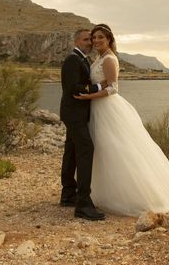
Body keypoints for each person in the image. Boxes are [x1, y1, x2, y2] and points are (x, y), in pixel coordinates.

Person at [75, 24, 169, 217]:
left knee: (117, 149)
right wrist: (92, 90)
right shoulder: (99, 58)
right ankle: (101, 191)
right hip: (97, 109)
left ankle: (133, 195)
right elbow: (100, 83)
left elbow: (113, 89)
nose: (96, 41)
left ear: (109, 39)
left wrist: (88, 97)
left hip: (107, 108)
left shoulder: (110, 59)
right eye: (94, 38)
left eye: (100, 37)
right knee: (102, 150)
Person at [59, 29, 106, 221]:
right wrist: (101, 86)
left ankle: (68, 194)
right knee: (86, 149)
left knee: (71, 151)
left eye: (91, 39)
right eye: (87, 39)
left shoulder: (82, 59)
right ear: (76, 41)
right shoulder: (72, 59)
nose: (91, 42)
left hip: (75, 113)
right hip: (74, 114)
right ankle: (83, 203)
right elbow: (74, 89)